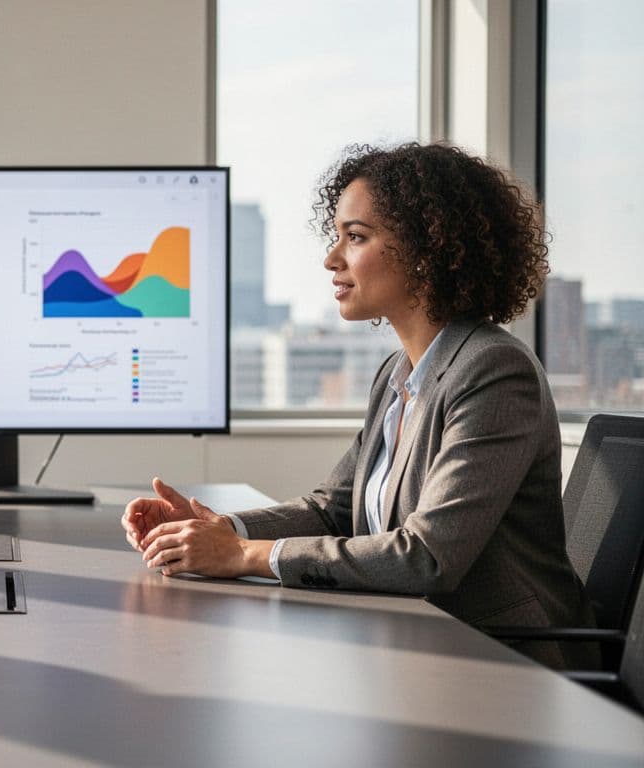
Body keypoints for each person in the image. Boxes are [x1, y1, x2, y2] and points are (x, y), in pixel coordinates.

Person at [120, 142, 593, 668]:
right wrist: (222, 529)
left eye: (356, 237)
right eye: (337, 236)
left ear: (426, 250)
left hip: (504, 662)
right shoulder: (397, 374)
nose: (331, 258)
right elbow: (334, 510)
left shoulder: (494, 371)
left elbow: (427, 557)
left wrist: (242, 557)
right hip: (417, 649)